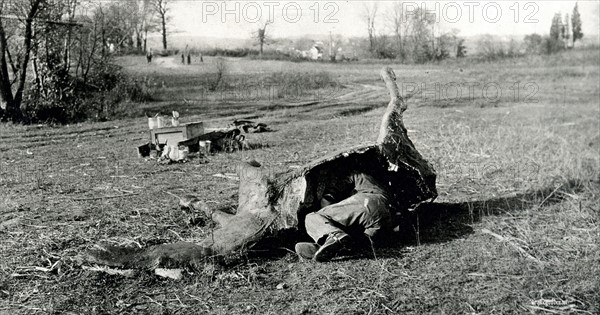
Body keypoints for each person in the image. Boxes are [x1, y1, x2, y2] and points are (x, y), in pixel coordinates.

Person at [295, 172, 393, 262]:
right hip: (384, 220)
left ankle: (334, 236)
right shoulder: (383, 180)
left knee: (313, 217)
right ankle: (327, 247)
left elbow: (328, 198)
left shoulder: (356, 173)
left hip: (368, 203)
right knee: (355, 241)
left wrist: (325, 213)